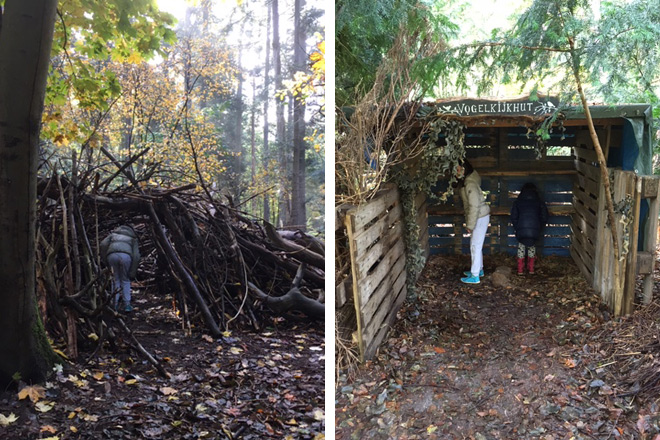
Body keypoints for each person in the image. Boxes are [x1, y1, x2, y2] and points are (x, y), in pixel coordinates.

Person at [456, 160, 491, 284]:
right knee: (476, 245)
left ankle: (475, 276)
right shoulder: (468, 182)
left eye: (458, 169)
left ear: (464, 170)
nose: (456, 172)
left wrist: (470, 225)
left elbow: (474, 206)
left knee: (475, 246)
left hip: (479, 217)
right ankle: (478, 270)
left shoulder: (470, 184)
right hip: (480, 216)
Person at [510, 182, 549, 275]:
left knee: (521, 247)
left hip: (521, 230)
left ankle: (520, 269)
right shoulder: (539, 202)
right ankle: (531, 268)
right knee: (531, 246)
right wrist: (539, 226)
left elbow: (514, 217)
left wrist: (518, 227)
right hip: (534, 230)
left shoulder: (518, 202)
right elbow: (544, 216)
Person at [100, 225, 140, 312]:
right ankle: (127, 305)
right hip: (126, 257)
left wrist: (106, 260)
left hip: (112, 256)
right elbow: (136, 256)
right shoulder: (132, 238)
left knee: (115, 280)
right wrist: (133, 271)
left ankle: (114, 305)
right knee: (125, 280)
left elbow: (103, 244)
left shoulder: (113, 235)